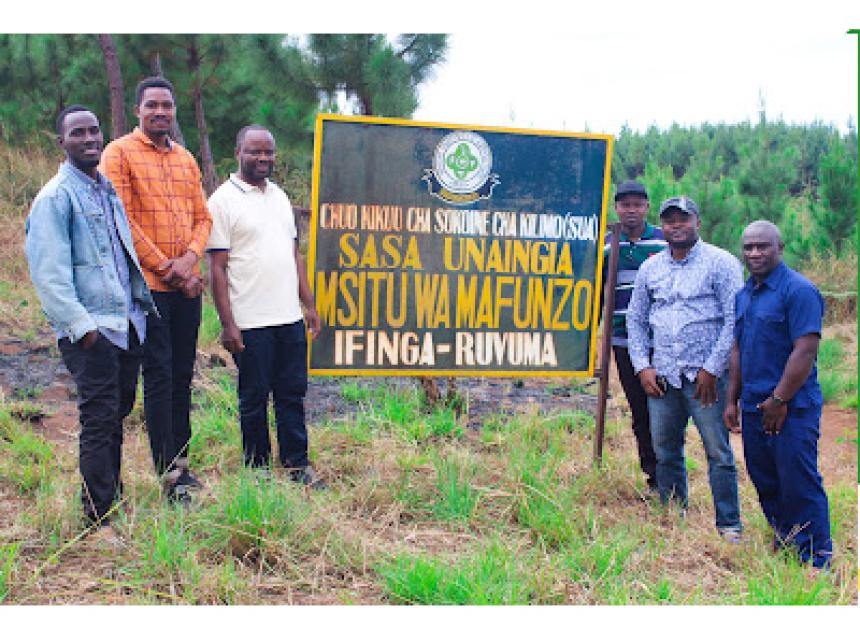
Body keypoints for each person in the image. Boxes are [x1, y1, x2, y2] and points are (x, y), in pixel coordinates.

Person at [25, 105, 155, 539]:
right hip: (91, 332)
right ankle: (97, 519)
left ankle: (111, 495)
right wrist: (85, 330)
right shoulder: (56, 198)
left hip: (125, 324)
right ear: (61, 142)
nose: (89, 139)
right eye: (77, 133)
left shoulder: (106, 189)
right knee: (99, 419)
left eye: (94, 131)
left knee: (116, 414)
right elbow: (50, 275)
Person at [100, 77, 212, 502]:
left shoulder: (185, 159)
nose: (161, 111)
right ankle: (167, 474)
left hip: (185, 289)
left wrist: (188, 261)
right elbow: (122, 219)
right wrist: (166, 267)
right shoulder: (120, 154)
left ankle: (182, 463)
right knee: (160, 377)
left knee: (184, 375)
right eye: (152, 105)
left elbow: (203, 217)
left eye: (167, 104)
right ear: (137, 110)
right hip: (148, 289)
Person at [206, 125, 324, 486]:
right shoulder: (221, 202)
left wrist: (309, 305)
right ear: (238, 151)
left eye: (268, 152)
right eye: (255, 151)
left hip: (287, 318)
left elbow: (294, 256)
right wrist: (228, 325)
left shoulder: (279, 197)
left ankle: (296, 464)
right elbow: (217, 269)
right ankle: (257, 473)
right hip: (250, 322)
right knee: (254, 399)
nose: (262, 159)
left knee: (292, 394)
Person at [626, 196, 744, 541]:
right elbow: (635, 320)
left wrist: (712, 367)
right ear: (662, 226)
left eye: (683, 219)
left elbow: (733, 321)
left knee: (718, 452)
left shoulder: (721, 263)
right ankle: (674, 516)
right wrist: (642, 366)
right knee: (665, 450)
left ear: (698, 222)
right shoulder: (652, 267)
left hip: (705, 381)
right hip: (663, 378)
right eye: (669, 221)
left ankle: (729, 524)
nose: (676, 226)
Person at [723, 220, 832, 569]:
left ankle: (816, 557)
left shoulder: (799, 291)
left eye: (762, 246)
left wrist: (780, 400)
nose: (754, 253)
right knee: (765, 478)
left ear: (779, 247)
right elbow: (738, 349)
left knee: (798, 479)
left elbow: (805, 350)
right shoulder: (744, 294)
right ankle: (786, 541)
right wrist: (731, 400)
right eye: (749, 247)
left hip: (792, 406)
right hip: (755, 405)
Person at [602, 180, 666, 493]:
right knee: (640, 409)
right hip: (623, 340)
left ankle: (672, 473)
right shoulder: (606, 243)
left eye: (637, 204)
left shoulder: (666, 241)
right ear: (617, 208)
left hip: (664, 343)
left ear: (646, 207)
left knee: (666, 409)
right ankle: (654, 477)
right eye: (625, 204)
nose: (631, 210)